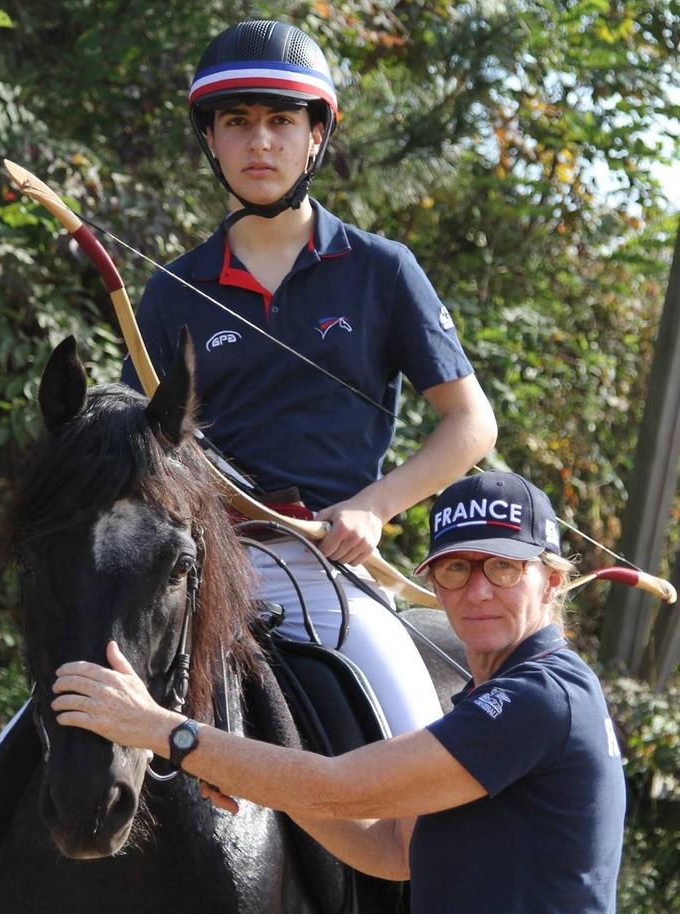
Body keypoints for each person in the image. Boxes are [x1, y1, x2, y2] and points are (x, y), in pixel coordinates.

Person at [121, 19, 497, 734]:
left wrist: (374, 508)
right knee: (20, 761)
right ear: (211, 139)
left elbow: (471, 422)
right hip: (197, 574)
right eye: (237, 122)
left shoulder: (382, 270)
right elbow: (137, 451)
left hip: (331, 573)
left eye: (281, 121)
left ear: (315, 136)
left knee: (414, 755)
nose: (259, 142)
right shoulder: (172, 290)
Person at [52, 470, 626, 914]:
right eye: (456, 569)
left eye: (503, 568)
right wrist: (248, 775)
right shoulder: (494, 698)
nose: (477, 592)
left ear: (552, 581)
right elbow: (393, 850)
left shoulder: (539, 696)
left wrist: (159, 729)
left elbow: (342, 789)